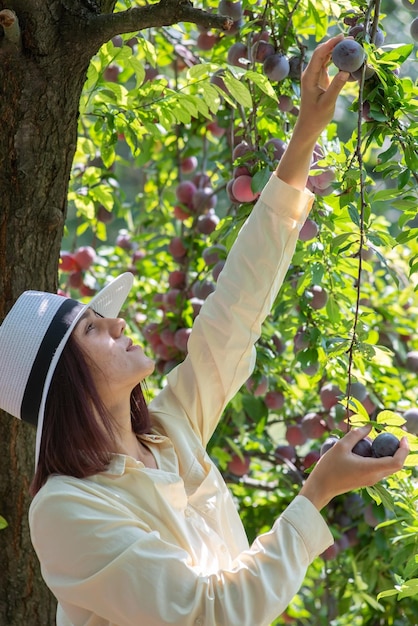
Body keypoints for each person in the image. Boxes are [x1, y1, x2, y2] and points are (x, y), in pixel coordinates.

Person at [0, 35, 409, 626]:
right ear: (67, 380)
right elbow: (212, 612)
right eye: (94, 331)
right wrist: (315, 493)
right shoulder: (66, 509)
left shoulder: (168, 433)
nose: (117, 322)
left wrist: (304, 138)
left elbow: (233, 315)